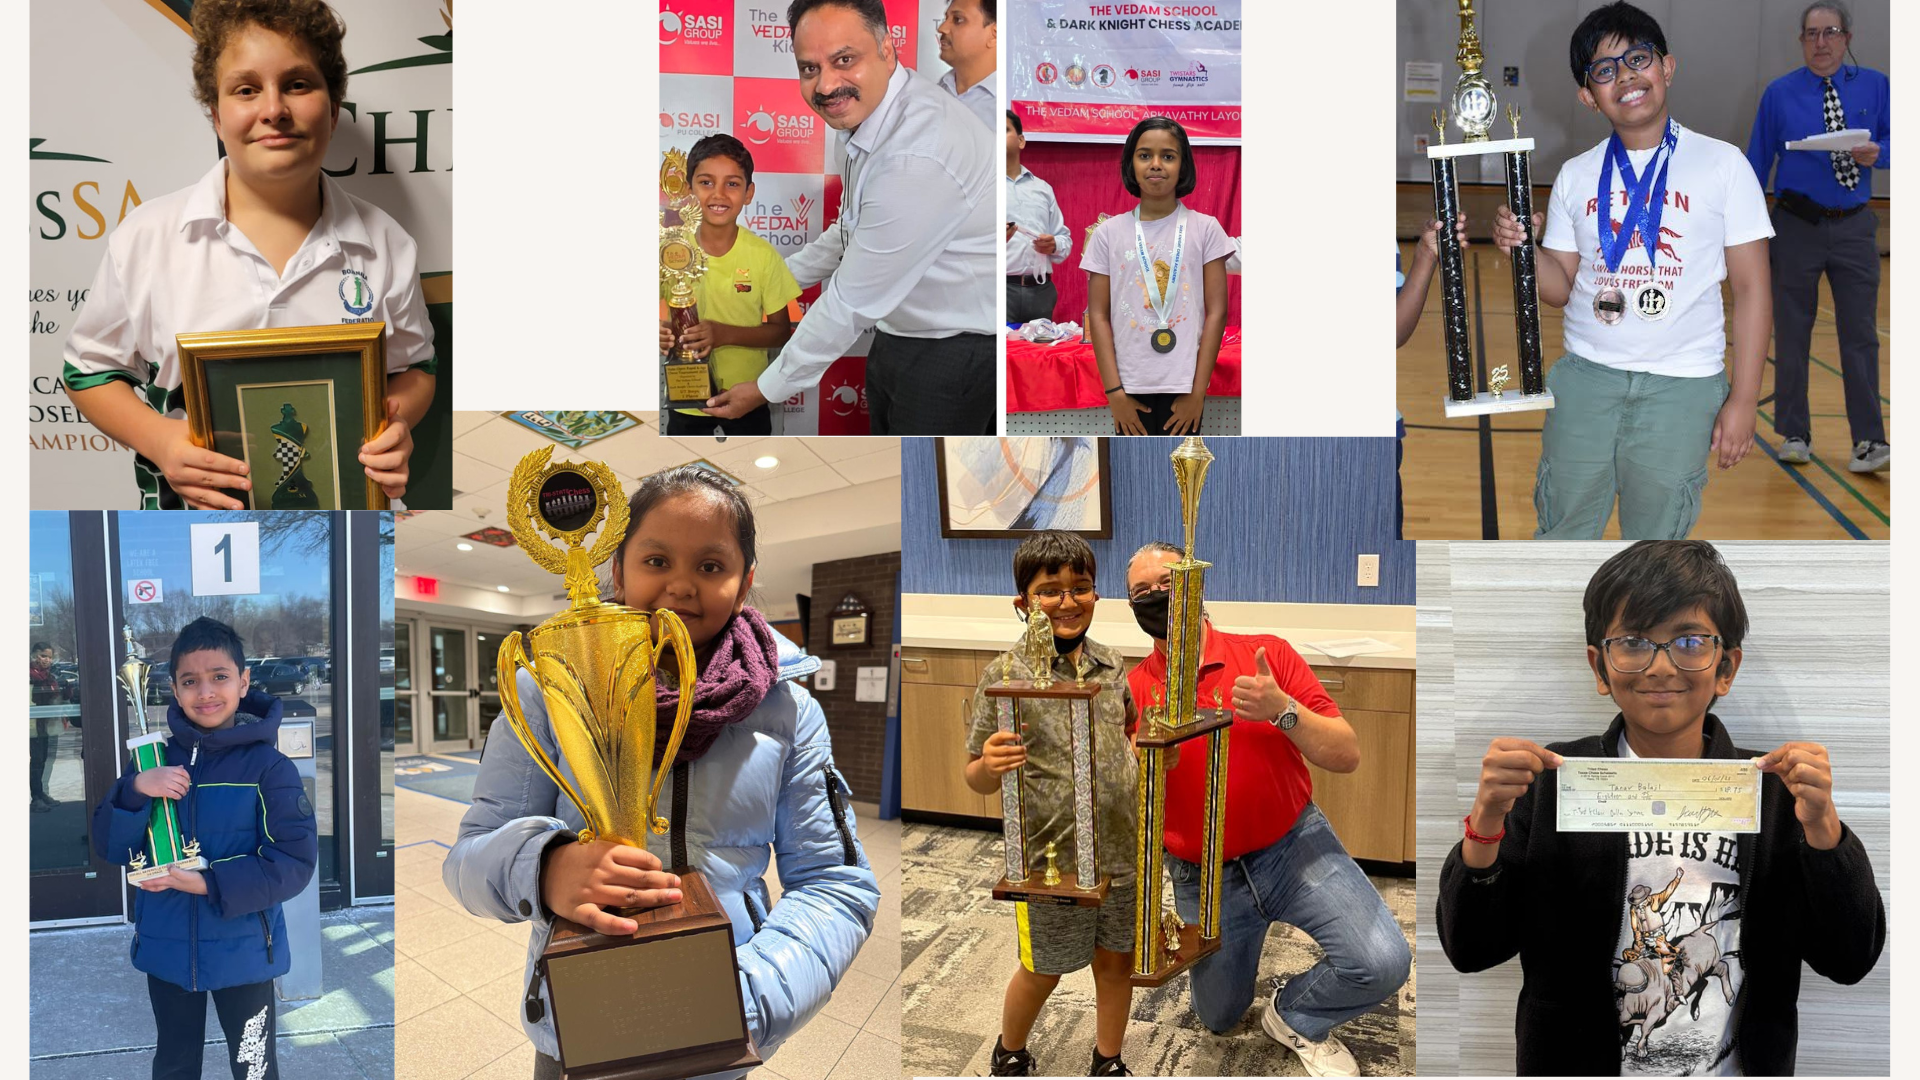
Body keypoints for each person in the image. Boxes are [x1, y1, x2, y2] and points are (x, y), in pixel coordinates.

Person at [443, 466, 880, 1080]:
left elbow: (837, 883)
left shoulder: (789, 711)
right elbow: (467, 857)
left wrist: (746, 995)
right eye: (656, 561)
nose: (680, 586)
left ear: (745, 579)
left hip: (722, 1030)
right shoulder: (547, 690)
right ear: (617, 571)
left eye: (710, 566)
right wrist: (542, 865)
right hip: (575, 1027)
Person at [1436, 540, 1885, 1074]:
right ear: (1600, 667)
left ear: (1726, 667)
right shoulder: (1553, 783)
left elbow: (1850, 958)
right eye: (1633, 642)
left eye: (1690, 641)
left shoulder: (1776, 795)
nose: (1661, 666)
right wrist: (1486, 821)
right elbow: (1471, 947)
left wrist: (1826, 834)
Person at [61, 0, 437, 510]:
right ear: (215, 116)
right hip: (193, 523)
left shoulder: (386, 243)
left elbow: (416, 368)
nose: (274, 109)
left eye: (298, 84)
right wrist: (159, 441)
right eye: (246, 89)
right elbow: (88, 371)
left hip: (345, 517)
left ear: (332, 107)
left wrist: (395, 424)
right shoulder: (148, 236)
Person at [1125, 543, 1409, 1079]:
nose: (1155, 598)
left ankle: (1294, 1011)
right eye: (1140, 593)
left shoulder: (1265, 656)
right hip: (1203, 876)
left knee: (1383, 963)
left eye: (1166, 583)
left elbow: (1346, 755)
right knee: (1217, 1017)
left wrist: (1284, 711)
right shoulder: (1136, 690)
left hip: (1293, 847)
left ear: (1195, 586)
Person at [1492, 2, 1772, 540]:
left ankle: (1641, 627)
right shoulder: (1576, 175)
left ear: (1666, 67)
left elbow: (1753, 288)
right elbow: (1559, 288)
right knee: (1564, 527)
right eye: (1604, 70)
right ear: (1588, 97)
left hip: (1683, 386)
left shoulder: (1723, 165)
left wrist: (1743, 399)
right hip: (1587, 379)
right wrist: (1524, 251)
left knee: (1657, 543)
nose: (1625, 76)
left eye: (1637, 59)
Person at [703, 0, 996, 435]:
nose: (826, 84)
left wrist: (766, 388)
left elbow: (849, 303)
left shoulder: (916, 152)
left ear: (887, 49)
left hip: (953, 352)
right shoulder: (866, 119)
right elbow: (849, 232)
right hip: (902, 336)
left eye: (844, 60)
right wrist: (767, 283)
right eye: (809, 68)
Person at [92, 617, 318, 1080]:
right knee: (174, 1064)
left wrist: (207, 883)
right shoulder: (154, 763)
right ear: (174, 690)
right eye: (190, 681)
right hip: (167, 950)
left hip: (246, 952)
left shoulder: (269, 767)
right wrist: (135, 790)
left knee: (254, 1066)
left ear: (244, 681)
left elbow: (293, 862)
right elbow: (110, 846)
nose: (206, 692)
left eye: (219, 677)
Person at [964, 531, 1138, 1077]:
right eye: (1049, 590)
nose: (1067, 601)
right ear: (1023, 603)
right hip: (1050, 861)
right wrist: (987, 767)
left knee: (1117, 963)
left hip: (1121, 848)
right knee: (1044, 968)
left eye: (1080, 588)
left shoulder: (1113, 666)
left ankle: (1107, 1059)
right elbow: (975, 774)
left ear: (1095, 596)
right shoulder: (1003, 676)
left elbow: (1127, 732)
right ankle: (1009, 1049)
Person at [1745, 1, 1890, 473]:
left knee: (1861, 336)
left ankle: (1869, 441)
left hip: (1854, 226)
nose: (1821, 43)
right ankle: (1793, 432)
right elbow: (1755, 162)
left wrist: (1879, 154)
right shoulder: (1779, 93)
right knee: (1792, 331)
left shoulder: (1875, 85)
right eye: (1811, 34)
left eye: (1830, 32)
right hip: (1795, 226)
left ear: (1847, 37)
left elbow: (1896, 141)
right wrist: (1745, 230)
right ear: (1801, 40)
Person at [1084, 117, 1234, 437]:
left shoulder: (1205, 229)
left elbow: (1218, 311)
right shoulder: (1107, 234)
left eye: (1168, 156)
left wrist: (1198, 392)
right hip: (1128, 385)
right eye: (1144, 155)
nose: (1156, 165)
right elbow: (1097, 314)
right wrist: (1115, 394)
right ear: (1130, 163)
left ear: (1183, 166)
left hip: (1185, 385)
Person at [658, 134, 801, 437]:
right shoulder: (669, 251)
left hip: (748, 399)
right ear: (687, 188)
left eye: (732, 184)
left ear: (749, 193)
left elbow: (780, 331)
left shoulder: (763, 256)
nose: (718, 194)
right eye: (706, 182)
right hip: (686, 403)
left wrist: (723, 333)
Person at [1004, 110, 1071, 326]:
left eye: (1004, 130)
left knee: (1037, 356)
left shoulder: (1043, 189)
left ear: (1021, 141)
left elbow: (1064, 239)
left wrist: (1054, 245)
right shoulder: (983, 186)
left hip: (1041, 291)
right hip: (998, 289)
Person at [936, 0, 997, 130]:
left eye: (957, 20)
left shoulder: (1009, 105)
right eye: (946, 18)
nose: (942, 28)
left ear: (994, 35)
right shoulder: (938, 90)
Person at [30, 641, 63, 812]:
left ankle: (40, 792)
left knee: (42, 759)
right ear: (34, 655)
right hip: (31, 725)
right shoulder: (29, 675)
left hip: (45, 724)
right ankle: (35, 797)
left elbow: (55, 696)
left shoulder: (49, 676)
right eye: (43, 656)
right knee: (35, 760)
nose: (47, 660)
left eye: (49, 657)